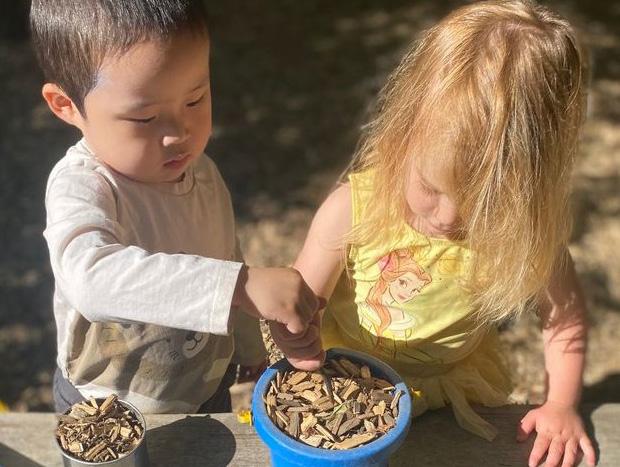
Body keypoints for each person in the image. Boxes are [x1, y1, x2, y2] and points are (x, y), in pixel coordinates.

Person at [292, 1, 596, 466]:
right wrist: (295, 343)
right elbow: (300, 301)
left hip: (450, 389)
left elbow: (565, 318)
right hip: (349, 383)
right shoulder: (353, 209)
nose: (449, 217)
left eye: (483, 203)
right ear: (404, 135)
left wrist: (561, 404)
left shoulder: (523, 232)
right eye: (431, 188)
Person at [30, 0, 323, 415]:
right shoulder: (84, 185)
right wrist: (237, 286)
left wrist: (248, 344)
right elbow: (89, 277)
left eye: (195, 99)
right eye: (145, 118)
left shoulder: (201, 173)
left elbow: (226, 254)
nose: (179, 133)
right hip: (107, 405)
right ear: (66, 105)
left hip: (205, 384)